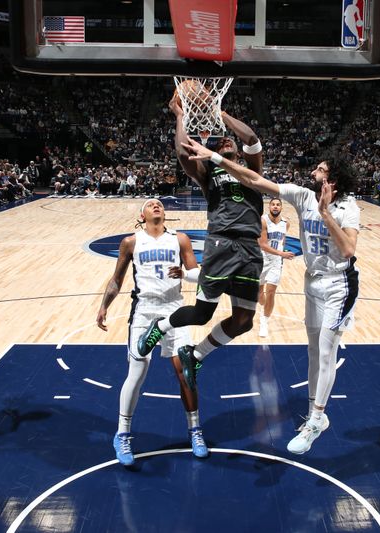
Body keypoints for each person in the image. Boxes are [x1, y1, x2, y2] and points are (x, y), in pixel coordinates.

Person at [179, 138, 360, 455]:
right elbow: (255, 180)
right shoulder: (303, 196)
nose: (313, 171)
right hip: (312, 282)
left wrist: (326, 215)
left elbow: (348, 250)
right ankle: (314, 415)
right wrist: (215, 159)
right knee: (315, 352)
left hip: (339, 284)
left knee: (328, 352)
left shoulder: (349, 208)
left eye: (320, 170)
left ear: (332, 180)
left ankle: (316, 420)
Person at [136, 95, 264, 389]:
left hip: (250, 248)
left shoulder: (252, 172)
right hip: (222, 243)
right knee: (202, 314)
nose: (227, 143)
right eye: (221, 144)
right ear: (214, 152)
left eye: (230, 143)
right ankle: (161, 326)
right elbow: (183, 153)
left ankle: (195, 355)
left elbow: (253, 139)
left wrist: (222, 114)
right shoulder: (210, 173)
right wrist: (180, 116)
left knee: (244, 321)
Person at [97, 199, 206, 465]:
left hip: (174, 310)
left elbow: (197, 274)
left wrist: (185, 274)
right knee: (137, 371)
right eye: (150, 204)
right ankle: (122, 434)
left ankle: (195, 431)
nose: (156, 205)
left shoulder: (180, 239)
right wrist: (104, 306)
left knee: (186, 372)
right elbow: (117, 280)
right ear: (142, 214)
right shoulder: (130, 242)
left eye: (159, 204)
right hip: (144, 311)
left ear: (164, 213)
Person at [258, 198, 294, 337]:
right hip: (262, 258)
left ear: (281, 208)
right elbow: (263, 244)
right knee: (259, 294)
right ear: (269, 207)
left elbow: (282, 240)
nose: (275, 207)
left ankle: (264, 321)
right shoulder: (263, 221)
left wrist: (280, 254)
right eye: (273, 204)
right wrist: (281, 253)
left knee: (271, 291)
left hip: (276, 261)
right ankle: (263, 307)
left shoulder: (286, 223)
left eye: (278, 205)